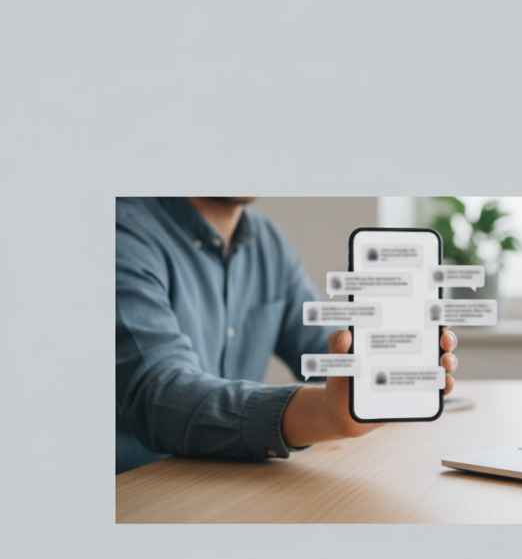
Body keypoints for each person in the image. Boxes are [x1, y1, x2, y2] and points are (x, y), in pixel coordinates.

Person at [115, 197, 458, 474]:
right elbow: (158, 394)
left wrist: (384, 367)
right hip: (139, 491)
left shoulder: (266, 241)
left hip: (234, 482)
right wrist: (321, 412)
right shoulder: (121, 232)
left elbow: (324, 346)